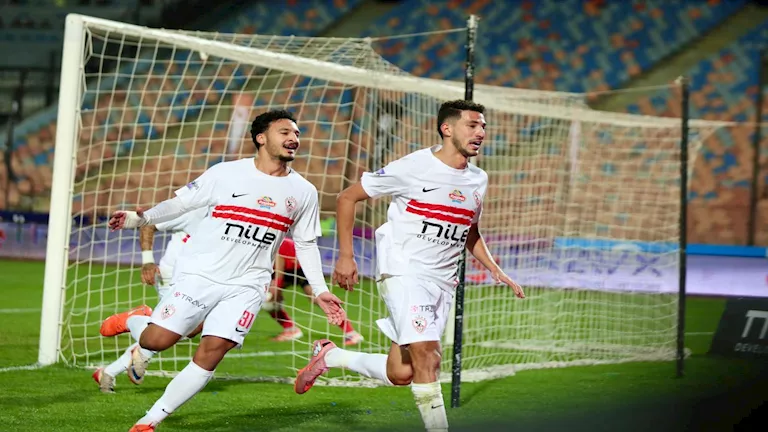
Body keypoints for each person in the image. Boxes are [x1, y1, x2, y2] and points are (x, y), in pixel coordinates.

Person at [105, 109, 346, 432]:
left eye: (297, 134)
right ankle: (137, 319)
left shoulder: (304, 191)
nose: (294, 139)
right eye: (285, 132)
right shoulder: (225, 173)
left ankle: (150, 420)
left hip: (248, 285)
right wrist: (142, 218)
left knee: (213, 350)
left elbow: (305, 244)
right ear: (261, 138)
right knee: (156, 340)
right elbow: (180, 203)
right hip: (201, 275)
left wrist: (320, 290)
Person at [294, 100, 525, 432]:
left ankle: (330, 356)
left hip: (443, 282)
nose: (480, 133)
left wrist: (493, 267)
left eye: (483, 127)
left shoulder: (478, 179)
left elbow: (469, 229)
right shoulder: (414, 166)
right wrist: (346, 256)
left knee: (402, 373)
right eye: (472, 125)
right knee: (428, 356)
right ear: (447, 129)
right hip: (405, 272)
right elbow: (347, 197)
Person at [94, 206, 207, 393]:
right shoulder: (193, 208)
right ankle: (134, 320)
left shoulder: (230, 216)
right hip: (172, 277)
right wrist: (147, 261)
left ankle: (108, 372)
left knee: (191, 329)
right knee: (173, 330)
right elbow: (148, 224)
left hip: (198, 281)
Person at [265, 237, 363, 345]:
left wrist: (276, 289)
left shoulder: (276, 241)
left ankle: (351, 333)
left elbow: (279, 271)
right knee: (266, 298)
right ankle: (290, 329)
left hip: (301, 268)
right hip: (285, 270)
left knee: (317, 298)